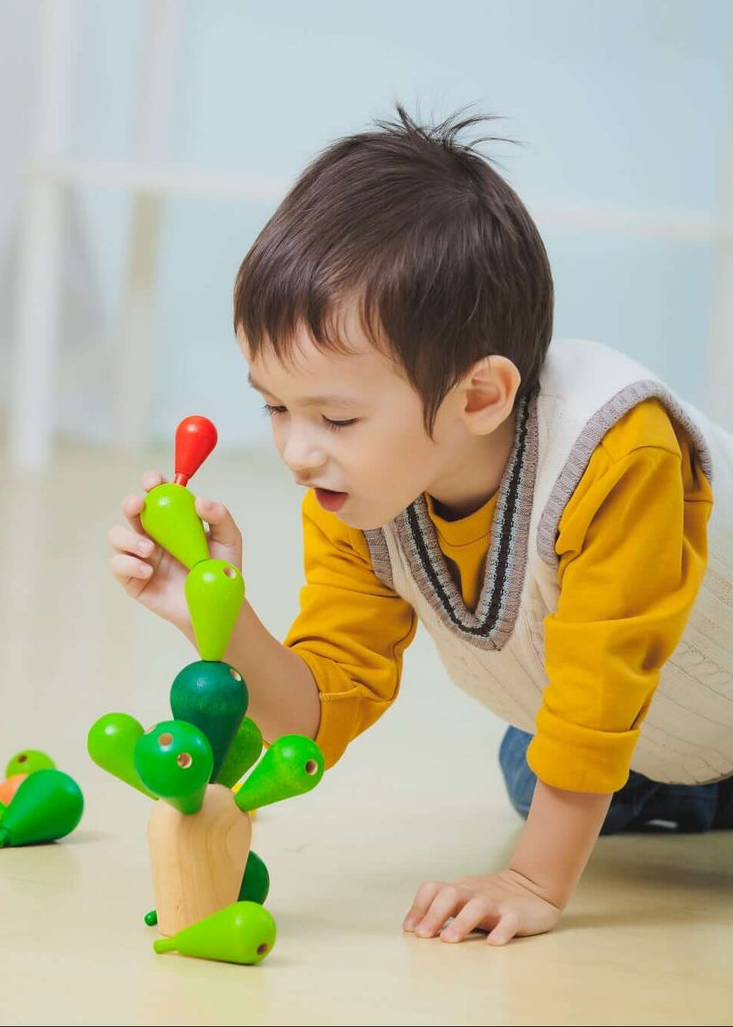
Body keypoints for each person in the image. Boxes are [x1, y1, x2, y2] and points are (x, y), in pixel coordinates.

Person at [109, 108, 733, 946]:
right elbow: (312, 714)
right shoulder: (358, 498)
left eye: (334, 416)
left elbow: (599, 693)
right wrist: (213, 613)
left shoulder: (617, 456)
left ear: (480, 395)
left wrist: (532, 879)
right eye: (274, 406)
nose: (296, 451)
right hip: (670, 725)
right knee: (540, 771)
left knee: (568, 760)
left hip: (660, 692)